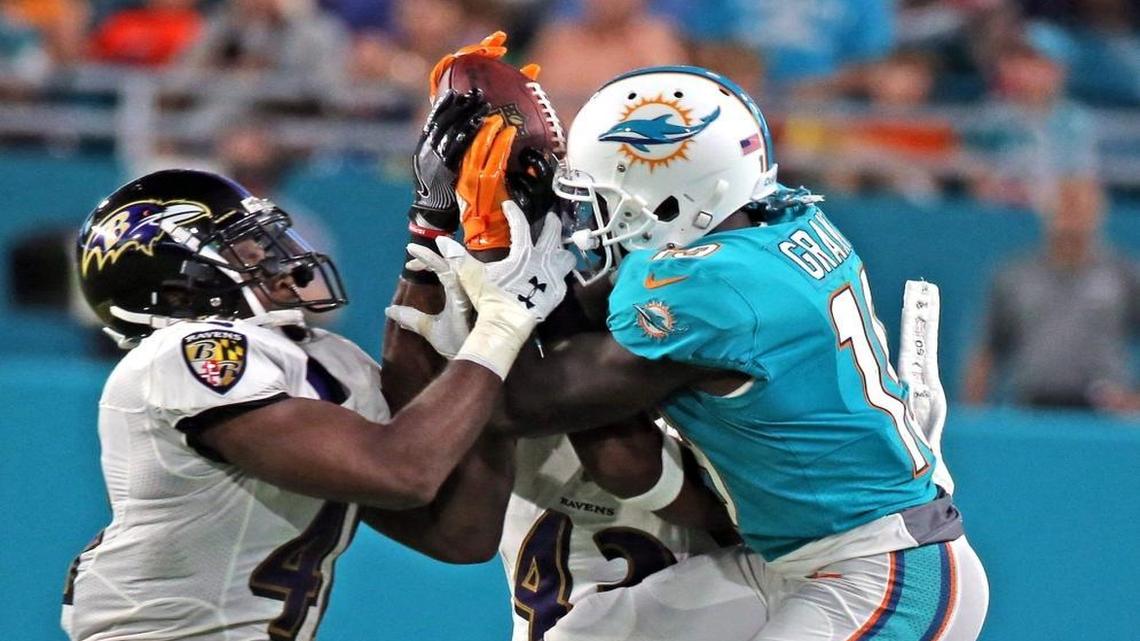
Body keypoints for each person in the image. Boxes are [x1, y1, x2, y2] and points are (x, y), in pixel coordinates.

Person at [399, 64, 989, 640]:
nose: (587, 215)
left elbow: (524, 403)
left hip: (881, 570)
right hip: (793, 561)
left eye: (602, 197)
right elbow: (588, 323)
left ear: (674, 200)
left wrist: (503, 265)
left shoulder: (712, 292)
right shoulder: (760, 224)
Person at [61, 166, 574, 641]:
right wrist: (498, 332)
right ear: (177, 293)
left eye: (265, 238)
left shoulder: (325, 358)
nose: (279, 259)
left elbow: (459, 534)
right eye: (244, 249)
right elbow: (400, 470)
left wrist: (433, 233)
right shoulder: (182, 355)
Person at [964, 176, 1140, 412]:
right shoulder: (1015, 276)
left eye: (1080, 207)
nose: (1072, 218)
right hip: (1033, 409)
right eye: (1065, 207)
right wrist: (973, 416)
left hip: (1105, 413)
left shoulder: (1123, 274)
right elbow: (987, 349)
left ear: (1098, 214)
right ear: (1047, 212)